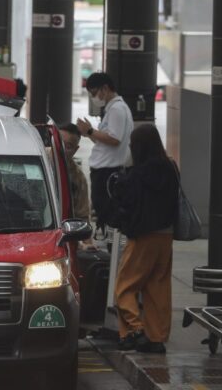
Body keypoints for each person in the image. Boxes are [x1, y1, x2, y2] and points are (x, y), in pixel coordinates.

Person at [112, 124, 179, 353]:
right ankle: (156, 338)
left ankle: (136, 328)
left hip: (143, 237)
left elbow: (127, 203)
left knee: (125, 286)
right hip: (166, 236)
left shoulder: (138, 173)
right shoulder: (170, 168)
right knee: (157, 288)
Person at [77, 72, 134, 232]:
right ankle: (111, 246)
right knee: (105, 213)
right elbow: (105, 140)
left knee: (107, 213)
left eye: (94, 93)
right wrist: (89, 132)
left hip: (107, 171)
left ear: (105, 88)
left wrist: (89, 130)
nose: (94, 97)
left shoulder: (117, 109)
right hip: (105, 169)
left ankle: (112, 249)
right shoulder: (114, 109)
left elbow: (114, 139)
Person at [59, 123, 96, 250]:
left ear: (76, 149)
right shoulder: (39, 164)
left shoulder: (78, 178)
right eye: (59, 143)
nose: (62, 149)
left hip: (64, 235)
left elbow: (82, 216)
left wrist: (87, 243)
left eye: (68, 146)